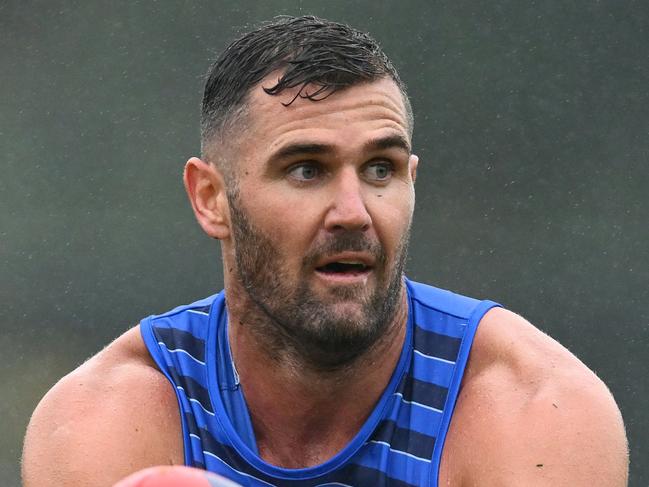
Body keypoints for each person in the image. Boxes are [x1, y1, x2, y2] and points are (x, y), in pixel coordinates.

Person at [22, 15, 628, 487]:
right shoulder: (106, 417)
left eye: (381, 169)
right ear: (211, 199)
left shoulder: (533, 406)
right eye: (307, 170)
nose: (354, 211)